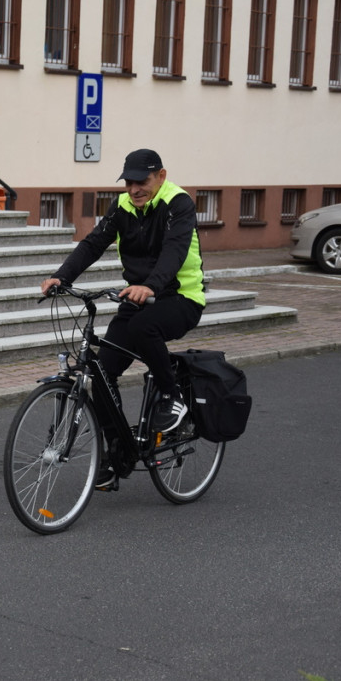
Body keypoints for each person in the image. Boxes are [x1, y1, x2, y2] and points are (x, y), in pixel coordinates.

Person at [41, 149, 205, 477]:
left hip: (180, 297)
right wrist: (62, 276)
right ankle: (118, 453)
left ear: (161, 175)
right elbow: (93, 243)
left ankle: (173, 399)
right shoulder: (122, 206)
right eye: (128, 182)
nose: (133, 189)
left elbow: (175, 250)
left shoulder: (178, 204)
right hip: (138, 298)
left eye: (141, 181)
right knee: (102, 373)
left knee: (145, 326)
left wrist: (152, 285)